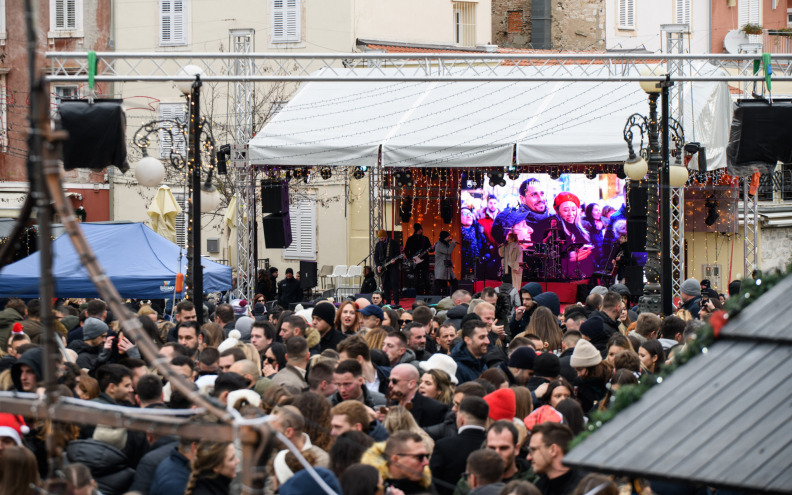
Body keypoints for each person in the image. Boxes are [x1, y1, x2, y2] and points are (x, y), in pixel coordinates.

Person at [430, 396, 489, 495]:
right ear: (486, 421)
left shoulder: (443, 446)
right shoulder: (491, 446)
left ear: (461, 420)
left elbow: (433, 483)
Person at [528, 423, 586, 495]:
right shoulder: (539, 487)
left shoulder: (585, 488)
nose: (528, 457)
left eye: (533, 450)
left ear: (553, 450)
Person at [387, 364, 449, 428]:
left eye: (394, 381)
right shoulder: (391, 403)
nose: (390, 385)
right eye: (421, 382)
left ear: (411, 384)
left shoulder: (436, 409)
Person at [451, 320, 490, 384]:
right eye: (482, 337)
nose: (487, 341)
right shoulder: (456, 367)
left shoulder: (482, 363)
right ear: (467, 340)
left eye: (487, 336)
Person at [374, 230, 402, 307]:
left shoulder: (393, 243)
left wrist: (394, 259)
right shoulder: (378, 245)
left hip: (392, 267)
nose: (381, 240)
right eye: (380, 238)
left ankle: (396, 302)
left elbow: (398, 254)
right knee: (385, 285)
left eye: (382, 238)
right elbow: (376, 257)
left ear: (386, 236)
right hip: (383, 268)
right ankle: (388, 302)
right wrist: (378, 265)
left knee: (394, 284)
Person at [404, 223, 433, 296]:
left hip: (424, 261)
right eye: (420, 229)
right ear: (417, 230)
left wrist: (433, 248)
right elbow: (406, 250)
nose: (421, 230)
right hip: (415, 262)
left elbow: (430, 250)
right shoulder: (410, 239)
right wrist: (410, 258)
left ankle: (427, 293)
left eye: (421, 229)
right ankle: (418, 294)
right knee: (416, 279)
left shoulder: (425, 239)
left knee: (426, 277)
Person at [434, 231, 458, 295]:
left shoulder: (445, 244)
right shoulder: (439, 245)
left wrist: (451, 265)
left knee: (455, 283)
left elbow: (448, 256)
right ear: (445, 237)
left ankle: (456, 296)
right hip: (441, 268)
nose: (450, 237)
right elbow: (448, 252)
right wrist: (452, 243)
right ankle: (435, 298)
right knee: (439, 285)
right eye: (448, 236)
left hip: (447, 268)